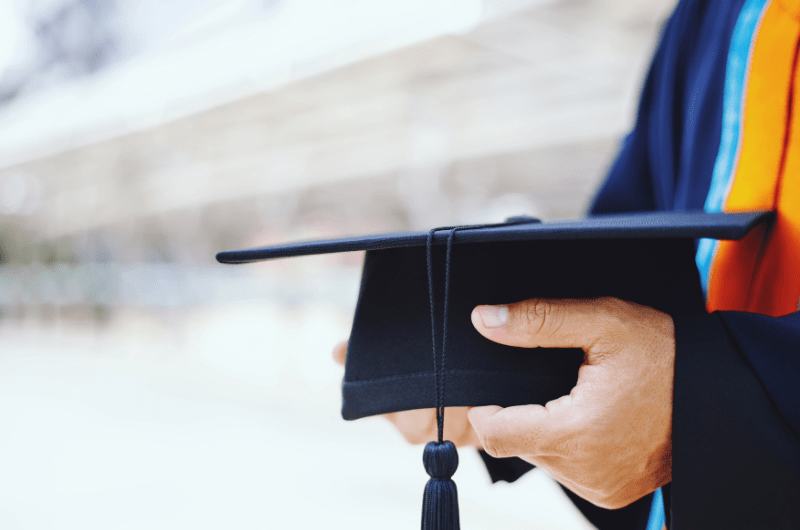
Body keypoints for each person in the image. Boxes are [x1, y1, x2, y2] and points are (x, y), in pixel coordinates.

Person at [334, 0, 800, 528]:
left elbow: (684, 379)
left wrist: (702, 403)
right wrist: (505, 373)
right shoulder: (711, 15)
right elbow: (637, 247)